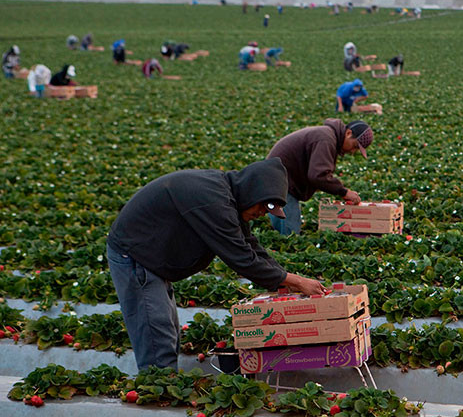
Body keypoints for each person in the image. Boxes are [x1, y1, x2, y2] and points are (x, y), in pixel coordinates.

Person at [106, 158, 325, 370]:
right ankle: (157, 391)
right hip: (135, 254)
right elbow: (240, 258)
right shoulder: (213, 200)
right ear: (253, 191)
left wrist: (285, 279)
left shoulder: (229, 196)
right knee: (157, 332)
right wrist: (293, 280)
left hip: (153, 254)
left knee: (168, 328)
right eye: (263, 206)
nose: (261, 214)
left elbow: (250, 245)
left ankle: (162, 382)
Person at [267, 119, 373, 235]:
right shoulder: (326, 139)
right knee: (290, 235)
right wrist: (344, 192)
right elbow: (318, 175)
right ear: (348, 133)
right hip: (279, 180)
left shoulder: (328, 136)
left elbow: (316, 173)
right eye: (355, 146)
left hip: (276, 178)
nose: (352, 151)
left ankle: (278, 250)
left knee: (281, 233)